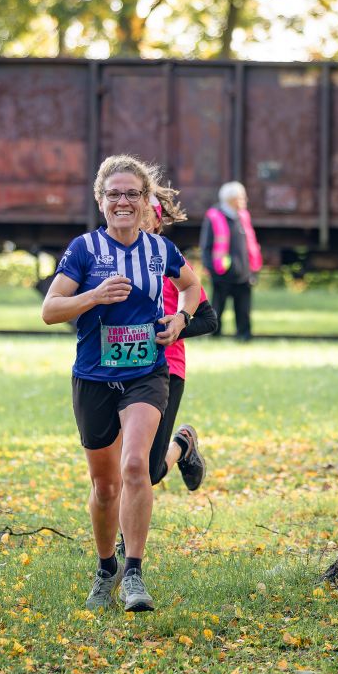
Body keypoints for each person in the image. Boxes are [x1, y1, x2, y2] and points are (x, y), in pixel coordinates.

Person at [41, 154, 202, 613]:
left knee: (135, 466)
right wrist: (93, 296)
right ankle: (105, 568)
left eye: (132, 193)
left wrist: (180, 319)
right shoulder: (84, 250)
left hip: (145, 374)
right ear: (101, 201)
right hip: (93, 377)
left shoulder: (160, 250)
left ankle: (133, 574)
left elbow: (191, 287)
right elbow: (50, 310)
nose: (123, 202)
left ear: (146, 200)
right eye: (114, 194)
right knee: (106, 486)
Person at [145, 186, 218, 492]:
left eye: (145, 214)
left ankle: (182, 444)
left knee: (149, 472)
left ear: (157, 222)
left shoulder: (170, 260)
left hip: (167, 368)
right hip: (120, 367)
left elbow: (208, 319)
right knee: (121, 462)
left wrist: (174, 327)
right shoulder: (110, 258)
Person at [200, 181, 262, 341]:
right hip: (222, 274)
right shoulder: (214, 216)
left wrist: (253, 270)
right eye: (241, 197)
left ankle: (244, 336)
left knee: (243, 309)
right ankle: (215, 335)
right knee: (217, 308)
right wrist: (211, 269)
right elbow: (206, 247)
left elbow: (250, 244)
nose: (245, 200)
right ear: (231, 199)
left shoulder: (243, 217)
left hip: (243, 274)